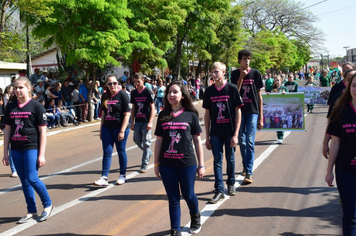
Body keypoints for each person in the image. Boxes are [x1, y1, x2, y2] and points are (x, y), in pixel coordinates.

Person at [154, 80, 205, 236]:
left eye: (175, 92)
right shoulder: (163, 115)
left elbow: (197, 140)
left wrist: (201, 165)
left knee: (189, 195)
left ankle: (195, 216)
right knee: (173, 198)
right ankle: (175, 229)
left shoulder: (191, 115)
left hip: (187, 164)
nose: (171, 95)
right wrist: (156, 164)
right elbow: (159, 141)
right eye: (169, 92)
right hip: (167, 164)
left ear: (183, 95)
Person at [2, 76, 54, 223]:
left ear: (28, 89)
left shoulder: (37, 107)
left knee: (32, 178)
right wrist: (5, 153)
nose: (17, 90)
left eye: (21, 87)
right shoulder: (10, 107)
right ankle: (31, 210)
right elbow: (7, 131)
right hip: (16, 149)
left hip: (31, 147)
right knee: (24, 180)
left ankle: (48, 205)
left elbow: (43, 132)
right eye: (15, 87)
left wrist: (41, 154)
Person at [203, 62, 243, 203]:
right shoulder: (209, 92)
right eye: (212, 72)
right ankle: (219, 189)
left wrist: (236, 134)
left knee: (230, 158)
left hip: (229, 131)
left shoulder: (231, 89)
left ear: (224, 72)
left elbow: (238, 112)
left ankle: (231, 183)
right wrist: (206, 137)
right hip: (215, 132)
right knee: (217, 160)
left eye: (216, 71)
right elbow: (207, 114)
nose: (214, 74)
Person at [325, 72, 356, 235]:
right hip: (346, 169)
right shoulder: (341, 110)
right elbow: (335, 142)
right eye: (354, 85)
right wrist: (329, 171)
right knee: (350, 214)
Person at [231, 49, 264, 184]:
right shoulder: (234, 74)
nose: (247, 61)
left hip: (252, 111)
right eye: (244, 59)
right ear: (240, 60)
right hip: (239, 112)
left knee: (250, 140)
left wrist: (261, 116)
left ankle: (249, 172)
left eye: (249, 59)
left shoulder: (256, 73)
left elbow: (259, 96)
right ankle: (245, 165)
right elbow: (234, 93)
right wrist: (241, 78)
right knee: (242, 141)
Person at [93, 75, 131, 187]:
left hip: (120, 128)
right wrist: (101, 130)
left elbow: (127, 114)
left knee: (121, 151)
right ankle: (104, 177)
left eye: (114, 83)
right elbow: (103, 114)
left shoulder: (123, 95)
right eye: (110, 83)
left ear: (117, 83)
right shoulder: (105, 96)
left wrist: (122, 131)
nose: (112, 85)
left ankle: (122, 175)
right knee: (107, 152)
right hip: (107, 128)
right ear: (106, 85)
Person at [323, 69, 356, 159]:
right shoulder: (338, 101)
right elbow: (331, 122)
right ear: (344, 81)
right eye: (349, 80)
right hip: (345, 158)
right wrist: (325, 143)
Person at [130, 72, 155, 173]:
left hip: (146, 121)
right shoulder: (134, 93)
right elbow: (133, 108)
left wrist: (150, 122)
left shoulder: (148, 92)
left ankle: (144, 163)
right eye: (135, 82)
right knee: (137, 140)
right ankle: (149, 152)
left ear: (143, 80)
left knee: (146, 142)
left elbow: (153, 107)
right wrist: (132, 122)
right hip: (138, 121)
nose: (136, 83)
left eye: (138, 81)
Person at [266, 75, 289, 144]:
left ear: (281, 81)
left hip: (282, 108)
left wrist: (286, 94)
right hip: (275, 108)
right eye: (275, 80)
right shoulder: (273, 89)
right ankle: (279, 134)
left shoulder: (284, 88)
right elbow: (270, 97)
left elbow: (289, 95)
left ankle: (280, 137)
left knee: (281, 121)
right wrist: (268, 94)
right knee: (276, 122)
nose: (277, 82)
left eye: (278, 80)